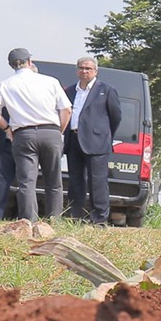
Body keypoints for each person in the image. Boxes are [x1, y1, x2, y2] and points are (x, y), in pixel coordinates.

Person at [0, 48, 71, 233]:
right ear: (30, 61)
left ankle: (28, 221)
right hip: (50, 131)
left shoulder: (2, 85)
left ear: (11, 65)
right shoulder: (50, 81)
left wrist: (7, 128)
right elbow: (66, 109)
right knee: (54, 181)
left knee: (27, 181)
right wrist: (59, 131)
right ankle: (54, 221)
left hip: (23, 134)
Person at [64, 55, 121, 226]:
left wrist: (103, 134)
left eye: (88, 68)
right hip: (73, 140)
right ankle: (75, 216)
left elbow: (116, 116)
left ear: (95, 71)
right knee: (75, 180)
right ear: (77, 70)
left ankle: (99, 218)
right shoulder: (70, 91)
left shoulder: (106, 90)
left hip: (97, 142)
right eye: (81, 68)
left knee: (97, 181)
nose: (84, 71)